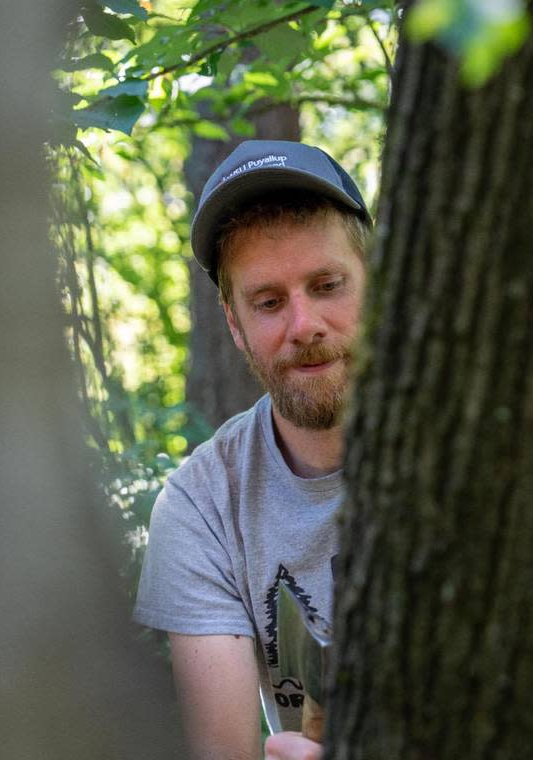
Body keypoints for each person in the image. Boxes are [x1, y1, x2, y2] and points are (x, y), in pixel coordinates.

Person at [133, 140, 372, 760]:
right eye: (269, 302)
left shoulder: (484, 441)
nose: (303, 325)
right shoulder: (202, 504)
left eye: (327, 285)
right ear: (235, 324)